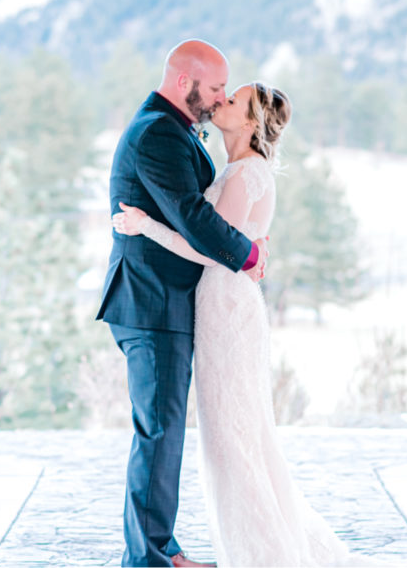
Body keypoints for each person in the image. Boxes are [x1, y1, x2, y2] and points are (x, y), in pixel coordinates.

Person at [113, 83, 373, 567]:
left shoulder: (245, 174)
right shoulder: (233, 169)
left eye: (232, 100)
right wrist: (249, 249)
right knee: (234, 431)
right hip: (222, 302)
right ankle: (250, 546)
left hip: (227, 307)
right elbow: (224, 238)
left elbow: (210, 245)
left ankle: (260, 552)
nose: (221, 102)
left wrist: (143, 225)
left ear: (252, 122)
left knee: (234, 436)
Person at [97, 39, 269, 568]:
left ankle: (161, 548)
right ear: (183, 82)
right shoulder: (157, 135)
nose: (219, 99)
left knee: (164, 429)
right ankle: (148, 559)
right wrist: (248, 255)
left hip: (165, 301)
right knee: (159, 431)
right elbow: (192, 216)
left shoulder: (172, 127)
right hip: (151, 304)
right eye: (215, 87)